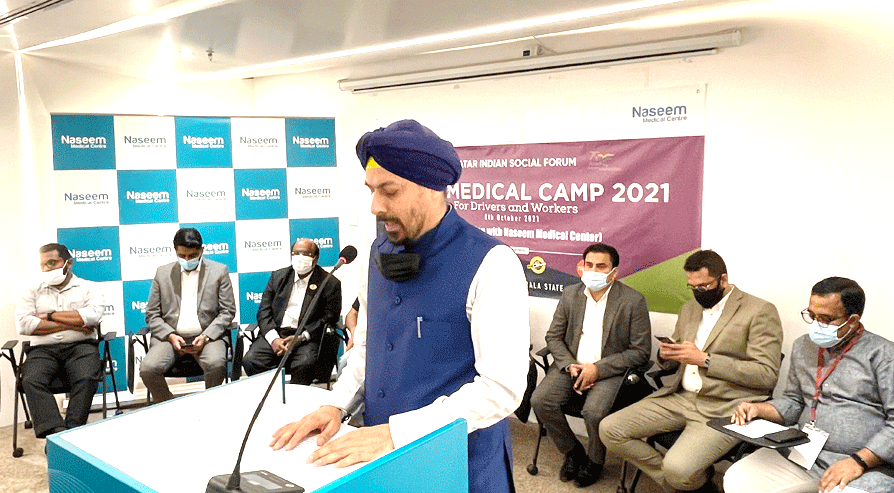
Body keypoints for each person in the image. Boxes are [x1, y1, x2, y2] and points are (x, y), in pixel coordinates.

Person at [269, 119, 529, 493]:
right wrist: (336, 405)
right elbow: (367, 349)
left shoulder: (492, 263)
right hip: (380, 459)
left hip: (459, 465)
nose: (376, 206)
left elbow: (501, 388)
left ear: (432, 189)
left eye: (389, 191)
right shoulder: (375, 254)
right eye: (372, 190)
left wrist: (396, 433)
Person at [599, 249, 783, 493]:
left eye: (704, 286)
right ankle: (691, 484)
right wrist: (666, 355)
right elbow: (675, 358)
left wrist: (706, 360)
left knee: (678, 469)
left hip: (725, 405)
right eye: (692, 287)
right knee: (609, 429)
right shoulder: (689, 309)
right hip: (680, 396)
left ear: (723, 279)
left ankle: (682, 480)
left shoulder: (759, 311)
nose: (698, 292)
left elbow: (766, 374)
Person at [724, 277, 894, 493]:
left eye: (826, 319)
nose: (816, 324)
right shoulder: (803, 346)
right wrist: (759, 409)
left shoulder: (883, 355)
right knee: (739, 478)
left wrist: (859, 461)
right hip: (805, 451)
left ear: (852, 321)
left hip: (865, 464)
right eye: (812, 315)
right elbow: (794, 402)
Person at [530, 243, 651, 487]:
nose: (593, 271)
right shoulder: (571, 294)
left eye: (601, 266)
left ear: (614, 272)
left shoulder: (632, 300)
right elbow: (553, 336)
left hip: (609, 371)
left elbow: (640, 351)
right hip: (572, 365)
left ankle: (595, 461)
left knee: (593, 412)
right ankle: (573, 451)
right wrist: (569, 364)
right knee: (540, 400)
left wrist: (598, 369)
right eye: (589, 265)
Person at [15, 243, 104, 438]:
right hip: (42, 350)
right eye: (42, 264)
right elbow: (24, 325)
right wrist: (75, 324)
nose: (46, 269)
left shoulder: (89, 287)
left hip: (81, 347)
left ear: (68, 263)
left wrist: (48, 316)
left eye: (52, 263)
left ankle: (71, 430)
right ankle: (57, 433)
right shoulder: (31, 290)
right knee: (30, 380)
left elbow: (92, 316)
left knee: (87, 377)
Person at [140, 228, 236, 401]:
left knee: (216, 364)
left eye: (192, 256)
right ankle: (169, 406)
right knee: (148, 369)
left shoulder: (219, 271)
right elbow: (152, 314)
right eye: (182, 255)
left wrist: (206, 336)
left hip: (207, 336)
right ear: (175, 251)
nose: (186, 260)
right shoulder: (162, 273)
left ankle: (209, 405)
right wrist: (170, 335)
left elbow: (227, 311)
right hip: (170, 338)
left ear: (201, 250)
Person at [242, 238, 342, 384]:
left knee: (305, 364)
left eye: (306, 254)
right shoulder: (278, 277)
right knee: (251, 360)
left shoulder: (329, 283)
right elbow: (264, 311)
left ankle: (296, 397)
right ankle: (273, 394)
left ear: (315, 258)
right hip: (277, 333)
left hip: (306, 337)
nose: (300, 257)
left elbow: (329, 318)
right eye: (296, 253)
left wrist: (301, 337)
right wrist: (274, 339)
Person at [336, 297, 360, 376]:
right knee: (344, 361)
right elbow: (351, 315)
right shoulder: (367, 292)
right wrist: (354, 334)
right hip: (364, 342)